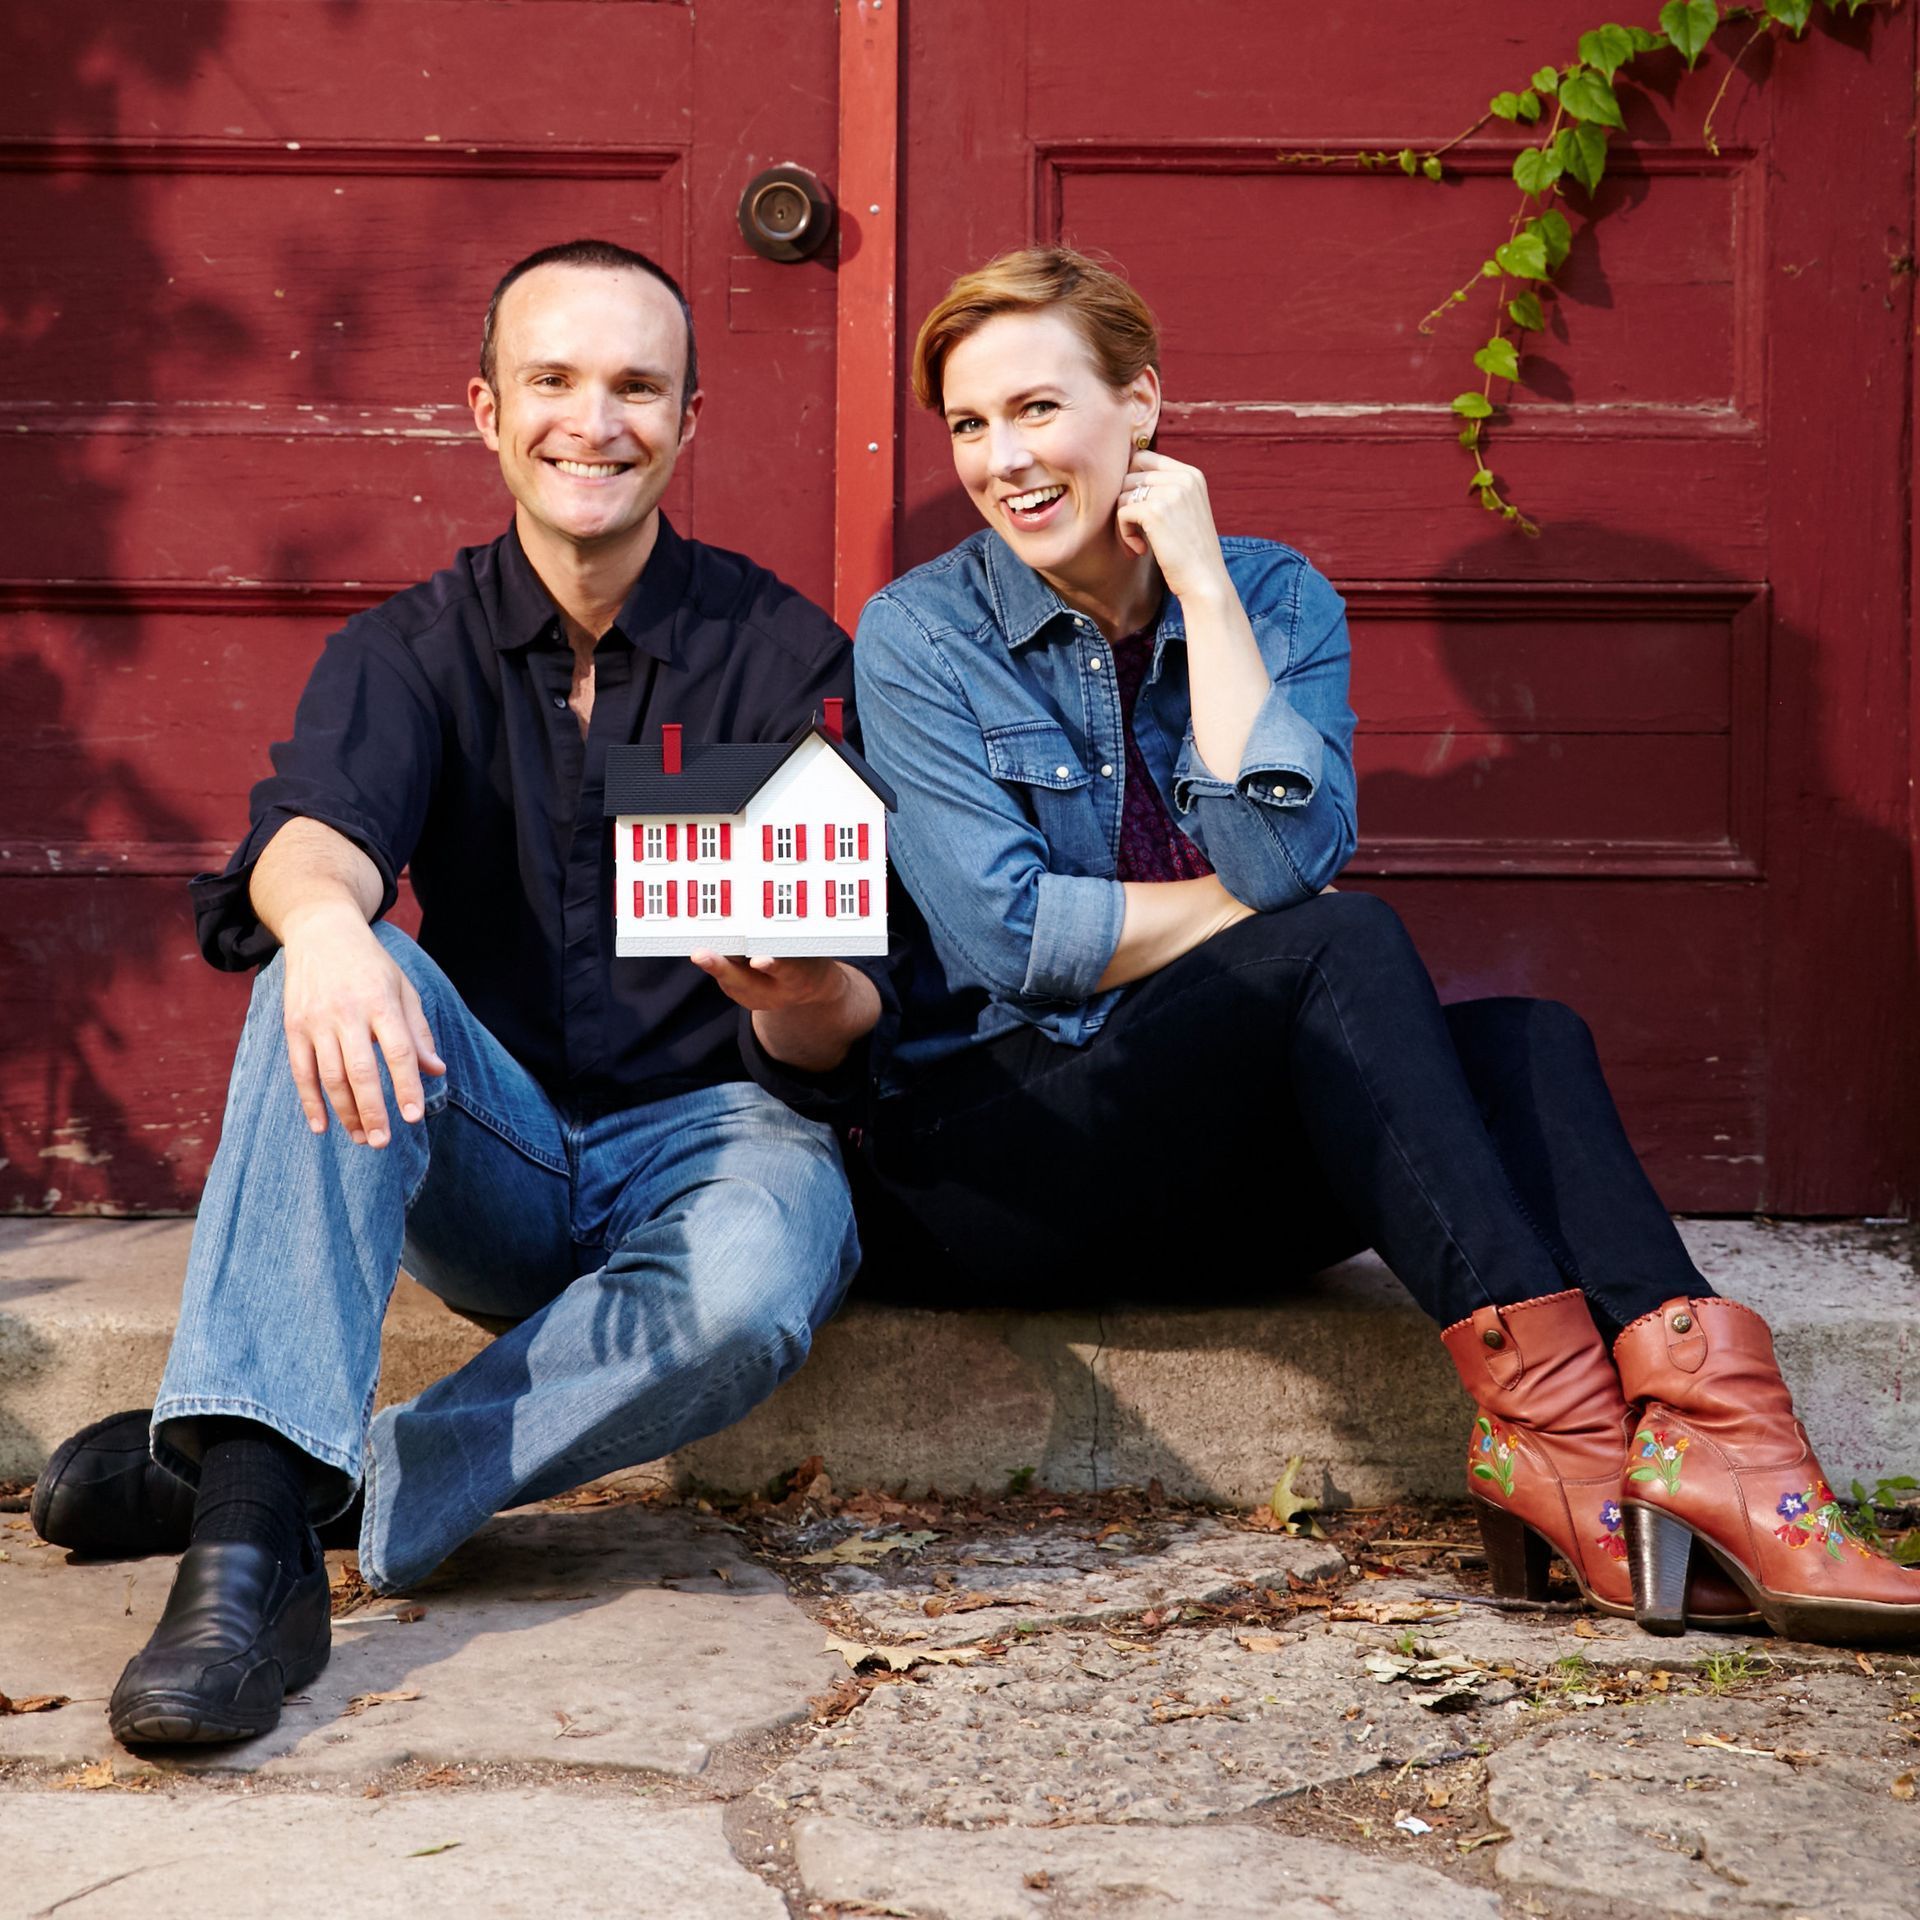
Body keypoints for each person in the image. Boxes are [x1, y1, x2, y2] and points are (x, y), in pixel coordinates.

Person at [850, 245, 1920, 1649]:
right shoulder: (920, 632)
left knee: (1528, 1039)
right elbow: (1016, 935)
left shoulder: (1274, 596)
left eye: (1040, 409)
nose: (1004, 459)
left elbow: (1286, 855)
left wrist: (1204, 594)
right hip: (1006, 1163)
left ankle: (1722, 1444)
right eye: (971, 425)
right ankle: (1569, 1444)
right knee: (1343, 948)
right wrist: (1255, 911)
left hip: (1208, 1173)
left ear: (1142, 407)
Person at [31, 238, 886, 1745]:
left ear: (692, 421)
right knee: (323, 968)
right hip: (492, 1146)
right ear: (485, 410)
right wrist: (333, 930)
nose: (593, 420)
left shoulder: (778, 651)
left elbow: (845, 1025)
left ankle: (283, 1477)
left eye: (637, 386)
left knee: (764, 1278)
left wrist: (798, 991)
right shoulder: (408, 648)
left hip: (716, 1142)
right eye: (552, 379)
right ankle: (248, 1581)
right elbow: (309, 838)